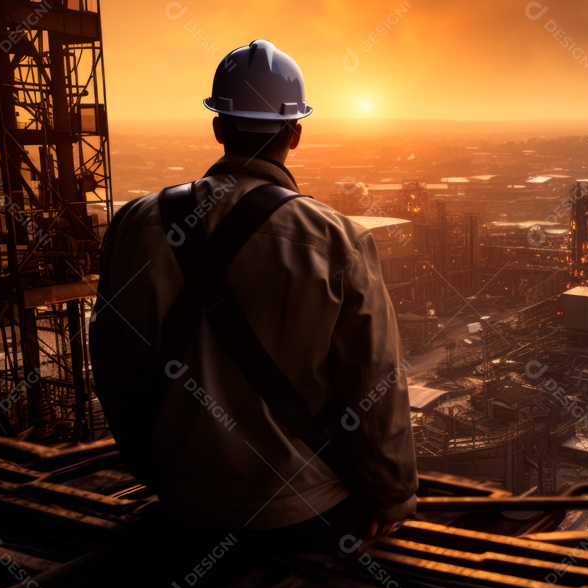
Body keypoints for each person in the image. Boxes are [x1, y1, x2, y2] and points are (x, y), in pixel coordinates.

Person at [89, 40, 417, 547]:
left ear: (219, 127)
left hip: (182, 505)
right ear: (295, 134)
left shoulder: (133, 226)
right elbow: (375, 386)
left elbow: (114, 368)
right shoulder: (336, 241)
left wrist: (157, 471)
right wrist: (391, 497)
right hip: (303, 511)